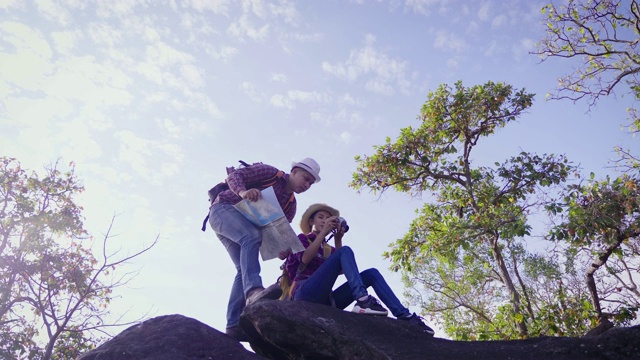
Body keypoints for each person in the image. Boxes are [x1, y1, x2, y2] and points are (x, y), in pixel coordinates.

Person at [208, 158, 321, 342]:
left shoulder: (290, 205)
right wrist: (244, 192)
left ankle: (233, 326)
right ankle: (253, 291)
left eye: (310, 182)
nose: (307, 184)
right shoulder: (270, 173)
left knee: (241, 269)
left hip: (243, 229)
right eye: (305, 178)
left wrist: (281, 251)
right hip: (223, 210)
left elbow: (275, 233)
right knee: (250, 237)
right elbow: (235, 176)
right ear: (294, 171)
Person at [281, 203, 435, 336]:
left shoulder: (328, 248)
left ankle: (405, 316)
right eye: (321, 217)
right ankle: (362, 300)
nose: (325, 221)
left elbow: (340, 269)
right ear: (310, 221)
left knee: (371, 273)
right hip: (304, 292)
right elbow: (305, 258)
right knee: (345, 251)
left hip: (326, 301)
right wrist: (323, 234)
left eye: (328, 219)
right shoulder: (301, 238)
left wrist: (338, 239)